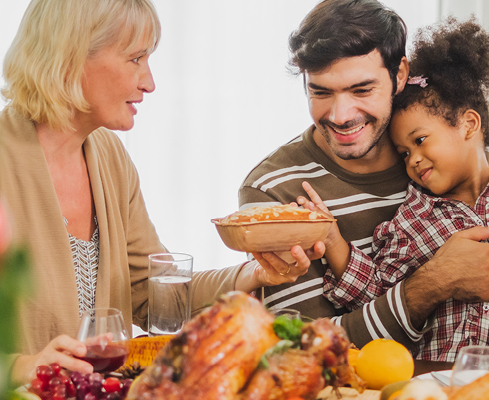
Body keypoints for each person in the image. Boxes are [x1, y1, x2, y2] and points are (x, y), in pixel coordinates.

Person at [239, 0, 489, 363]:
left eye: (361, 89)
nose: (340, 116)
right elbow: (299, 354)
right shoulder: (273, 189)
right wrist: (433, 283)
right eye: (320, 92)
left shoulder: (456, 152)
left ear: (399, 74)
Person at [0, 0, 310, 385]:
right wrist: (22, 366)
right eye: (135, 59)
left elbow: (152, 293)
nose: (149, 82)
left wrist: (255, 272)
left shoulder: (110, 156)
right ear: (71, 57)